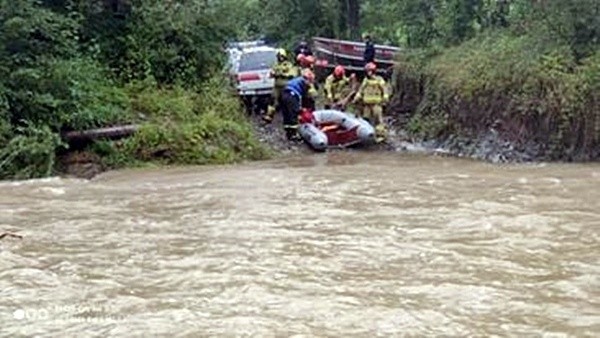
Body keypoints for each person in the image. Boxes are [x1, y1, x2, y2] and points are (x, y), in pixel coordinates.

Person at [353, 62, 389, 142]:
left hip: (376, 104)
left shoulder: (379, 80)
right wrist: (356, 99)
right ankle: (367, 135)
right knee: (366, 120)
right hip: (366, 105)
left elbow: (385, 90)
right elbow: (361, 91)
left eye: (368, 71)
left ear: (372, 71)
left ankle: (381, 137)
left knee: (378, 121)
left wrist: (385, 99)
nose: (366, 73)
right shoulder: (365, 80)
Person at [280, 69, 316, 141]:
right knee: (293, 114)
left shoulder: (297, 80)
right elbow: (304, 97)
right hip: (291, 95)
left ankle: (288, 133)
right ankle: (293, 134)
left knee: (287, 114)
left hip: (284, 94)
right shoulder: (303, 82)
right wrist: (302, 108)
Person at [263, 48, 297, 123]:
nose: (280, 58)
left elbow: (292, 74)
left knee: (287, 102)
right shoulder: (276, 65)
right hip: (277, 86)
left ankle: (290, 116)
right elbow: (272, 73)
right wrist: (273, 74)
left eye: (281, 56)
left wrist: (282, 74)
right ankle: (269, 116)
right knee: (272, 100)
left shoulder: (288, 64)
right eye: (278, 56)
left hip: (286, 86)